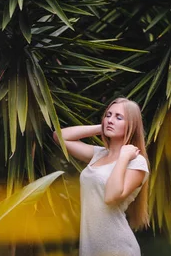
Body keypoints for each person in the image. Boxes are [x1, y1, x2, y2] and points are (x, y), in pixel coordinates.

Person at [53, 97, 150, 256]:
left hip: (118, 248)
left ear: (131, 125)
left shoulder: (136, 162)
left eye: (119, 117)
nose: (111, 120)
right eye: (108, 115)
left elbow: (111, 196)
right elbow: (59, 137)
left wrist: (124, 157)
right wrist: (103, 127)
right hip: (91, 248)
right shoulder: (98, 154)